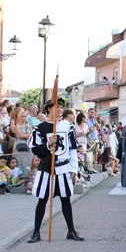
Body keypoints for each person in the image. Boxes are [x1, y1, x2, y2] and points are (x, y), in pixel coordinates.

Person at [28, 98, 84, 243]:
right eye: (56, 106)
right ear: (48, 109)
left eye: (61, 107)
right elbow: (35, 150)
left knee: (66, 200)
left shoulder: (67, 126)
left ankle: (71, 231)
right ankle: (36, 232)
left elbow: (72, 149)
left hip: (63, 168)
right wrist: (48, 144)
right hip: (47, 168)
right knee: (42, 200)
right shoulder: (40, 128)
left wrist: (74, 169)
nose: (59, 109)